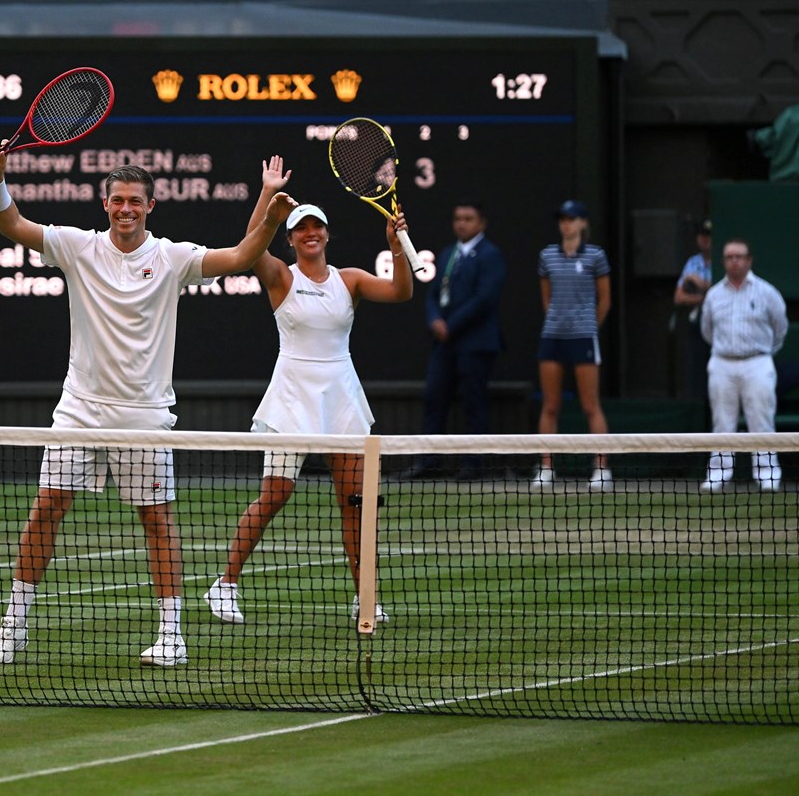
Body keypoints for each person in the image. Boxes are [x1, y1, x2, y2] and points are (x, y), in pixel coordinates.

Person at [0, 141, 298, 667]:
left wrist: (268, 205)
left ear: (151, 206)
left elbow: (241, 257)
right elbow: (13, 226)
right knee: (45, 511)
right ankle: (13, 628)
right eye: (118, 200)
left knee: (156, 519)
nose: (126, 208)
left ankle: (172, 636)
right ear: (105, 204)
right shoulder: (78, 247)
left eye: (135, 201)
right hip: (79, 408)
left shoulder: (171, 258)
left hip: (144, 415)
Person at [204, 156, 413, 627]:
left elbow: (402, 292)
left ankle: (365, 596)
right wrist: (267, 195)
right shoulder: (280, 276)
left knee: (354, 501)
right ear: (292, 237)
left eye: (316, 226)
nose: (310, 234)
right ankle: (225, 584)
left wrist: (397, 246)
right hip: (293, 393)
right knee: (276, 493)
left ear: (326, 234)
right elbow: (247, 248)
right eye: (301, 228)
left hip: (340, 393)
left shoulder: (351, 280)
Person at [403, 201, 507, 480]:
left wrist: (452, 324)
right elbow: (433, 294)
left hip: (475, 343)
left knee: (474, 403)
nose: (462, 223)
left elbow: (484, 299)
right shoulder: (448, 253)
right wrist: (435, 320)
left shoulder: (490, 255)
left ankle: (473, 465)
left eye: (468, 218)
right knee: (434, 399)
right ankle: (429, 462)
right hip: (444, 344)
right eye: (458, 218)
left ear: (481, 222)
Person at [531, 200, 613, 491]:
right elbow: (546, 298)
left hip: (583, 337)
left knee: (591, 405)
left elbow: (605, 300)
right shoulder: (547, 256)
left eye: (572, 218)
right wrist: (558, 319)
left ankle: (602, 469)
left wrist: (588, 325)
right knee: (550, 405)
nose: (566, 224)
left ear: (583, 223)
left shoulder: (596, 256)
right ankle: (545, 467)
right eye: (563, 219)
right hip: (552, 336)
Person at [699, 238, 788, 492]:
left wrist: (762, 354)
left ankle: (768, 475)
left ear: (749, 260)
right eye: (729, 257)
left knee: (761, 420)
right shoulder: (714, 295)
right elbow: (707, 331)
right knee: (722, 422)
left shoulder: (767, 292)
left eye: (739, 256)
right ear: (724, 261)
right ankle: (718, 474)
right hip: (722, 364)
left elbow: (780, 328)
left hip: (757, 363)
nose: (734, 261)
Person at [673, 218, 713, 401]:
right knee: (695, 374)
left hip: (719, 327)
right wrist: (704, 296)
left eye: (709, 235)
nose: (705, 239)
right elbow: (679, 297)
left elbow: (725, 291)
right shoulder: (693, 262)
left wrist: (700, 283)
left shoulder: (725, 259)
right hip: (697, 323)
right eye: (702, 235)